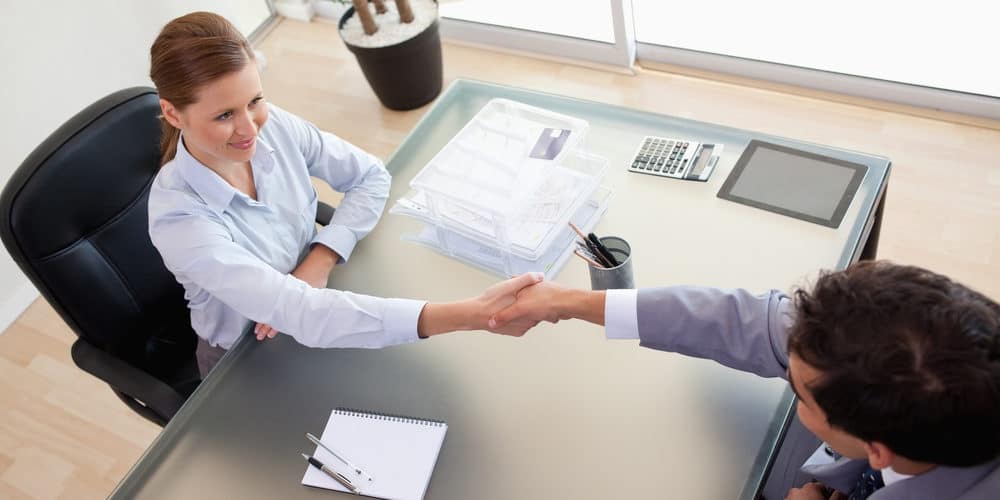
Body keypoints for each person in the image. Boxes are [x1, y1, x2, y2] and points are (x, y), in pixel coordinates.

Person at [147, 12, 540, 377]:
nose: (250, 127)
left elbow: (370, 176)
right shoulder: (178, 217)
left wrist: (322, 255)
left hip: (320, 300)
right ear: (174, 114)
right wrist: (469, 314)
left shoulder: (274, 126)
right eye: (224, 115)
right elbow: (298, 311)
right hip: (248, 356)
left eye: (254, 101)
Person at [489, 260, 1000, 499]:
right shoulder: (922, 354)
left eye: (798, 392)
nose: (786, 380)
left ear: (877, 451)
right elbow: (743, 321)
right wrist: (571, 302)